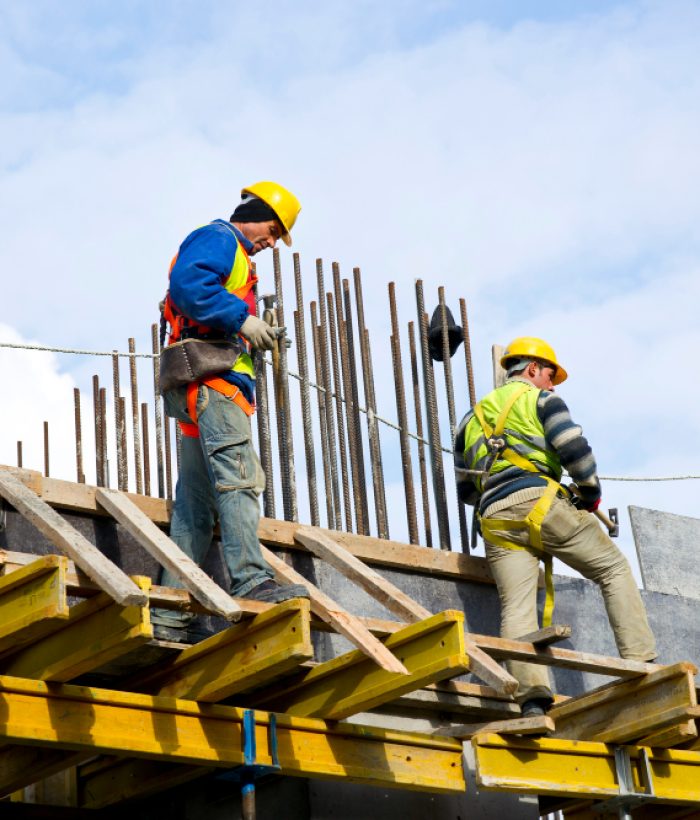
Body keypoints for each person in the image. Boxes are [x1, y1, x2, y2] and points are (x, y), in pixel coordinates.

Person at [454, 336, 656, 716]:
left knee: (516, 607)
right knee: (613, 569)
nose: (552, 383)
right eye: (550, 375)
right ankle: (643, 664)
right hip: (542, 503)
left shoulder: (469, 419)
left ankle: (531, 699)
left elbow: (466, 490)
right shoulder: (541, 400)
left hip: (495, 518)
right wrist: (590, 493)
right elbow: (574, 450)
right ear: (532, 369)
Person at [152, 181, 309, 643]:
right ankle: (252, 579)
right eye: (273, 229)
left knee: (195, 508)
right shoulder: (220, 239)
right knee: (241, 479)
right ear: (255, 212)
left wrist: (248, 328)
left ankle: (170, 613)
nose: (272, 241)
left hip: (201, 387)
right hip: (214, 385)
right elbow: (188, 285)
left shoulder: (236, 255)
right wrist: (242, 320)